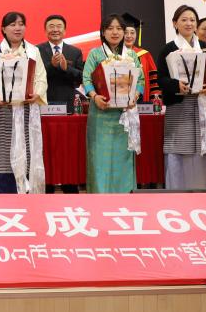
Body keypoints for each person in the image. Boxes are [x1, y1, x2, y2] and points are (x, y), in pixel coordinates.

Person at [155, 5, 206, 190]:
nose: (189, 23)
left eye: (192, 20)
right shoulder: (168, 49)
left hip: (204, 106)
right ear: (175, 23)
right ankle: (178, 195)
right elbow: (161, 79)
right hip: (179, 108)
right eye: (184, 19)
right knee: (178, 151)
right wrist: (175, 85)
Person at [0, 11, 47, 193]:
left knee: (28, 151)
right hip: (2, 111)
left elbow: (41, 78)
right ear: (3, 29)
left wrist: (37, 93)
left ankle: (28, 196)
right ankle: (2, 195)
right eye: (12, 24)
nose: (17, 28)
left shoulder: (33, 51)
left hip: (27, 110)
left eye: (21, 24)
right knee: (1, 156)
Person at [82, 14, 144, 193]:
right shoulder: (95, 53)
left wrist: (135, 96)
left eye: (119, 28)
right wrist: (94, 96)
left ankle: (125, 195)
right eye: (110, 28)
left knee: (123, 156)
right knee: (99, 158)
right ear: (103, 32)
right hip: (101, 114)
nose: (115, 32)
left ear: (124, 32)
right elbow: (86, 79)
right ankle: (100, 196)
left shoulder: (131, 55)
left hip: (124, 114)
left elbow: (140, 80)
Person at [38, 14, 85, 193]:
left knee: (68, 151)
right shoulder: (36, 50)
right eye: (51, 26)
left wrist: (67, 68)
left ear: (65, 30)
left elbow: (80, 79)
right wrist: (51, 65)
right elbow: (34, 77)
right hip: (44, 107)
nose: (55, 29)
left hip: (68, 108)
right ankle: (47, 187)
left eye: (59, 26)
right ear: (45, 30)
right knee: (45, 150)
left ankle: (70, 187)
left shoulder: (75, 51)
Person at [123, 12, 159, 103]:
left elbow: (154, 81)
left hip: (143, 103)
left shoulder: (144, 55)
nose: (129, 36)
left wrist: (155, 101)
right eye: (125, 32)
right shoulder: (113, 55)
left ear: (136, 34)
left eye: (132, 32)